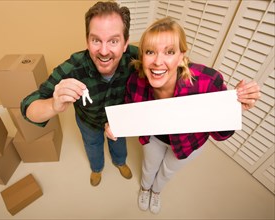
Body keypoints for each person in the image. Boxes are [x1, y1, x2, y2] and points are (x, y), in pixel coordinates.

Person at [105, 17, 261, 214]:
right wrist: (116, 126)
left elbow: (221, 135)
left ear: (181, 56)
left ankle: (156, 191)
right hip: (154, 138)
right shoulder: (135, 81)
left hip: (189, 142)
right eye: (150, 52)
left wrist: (235, 108)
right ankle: (145, 188)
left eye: (169, 52)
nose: (158, 61)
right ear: (142, 56)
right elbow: (129, 111)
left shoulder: (207, 81)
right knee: (149, 166)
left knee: (167, 171)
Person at [21, 1, 138, 187]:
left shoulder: (137, 58)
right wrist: (53, 104)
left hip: (119, 121)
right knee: (92, 146)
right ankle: (97, 169)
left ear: (125, 43)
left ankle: (120, 162)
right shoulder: (73, 68)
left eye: (114, 41)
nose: (104, 51)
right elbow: (28, 106)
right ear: (87, 40)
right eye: (96, 40)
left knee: (119, 143)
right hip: (88, 123)